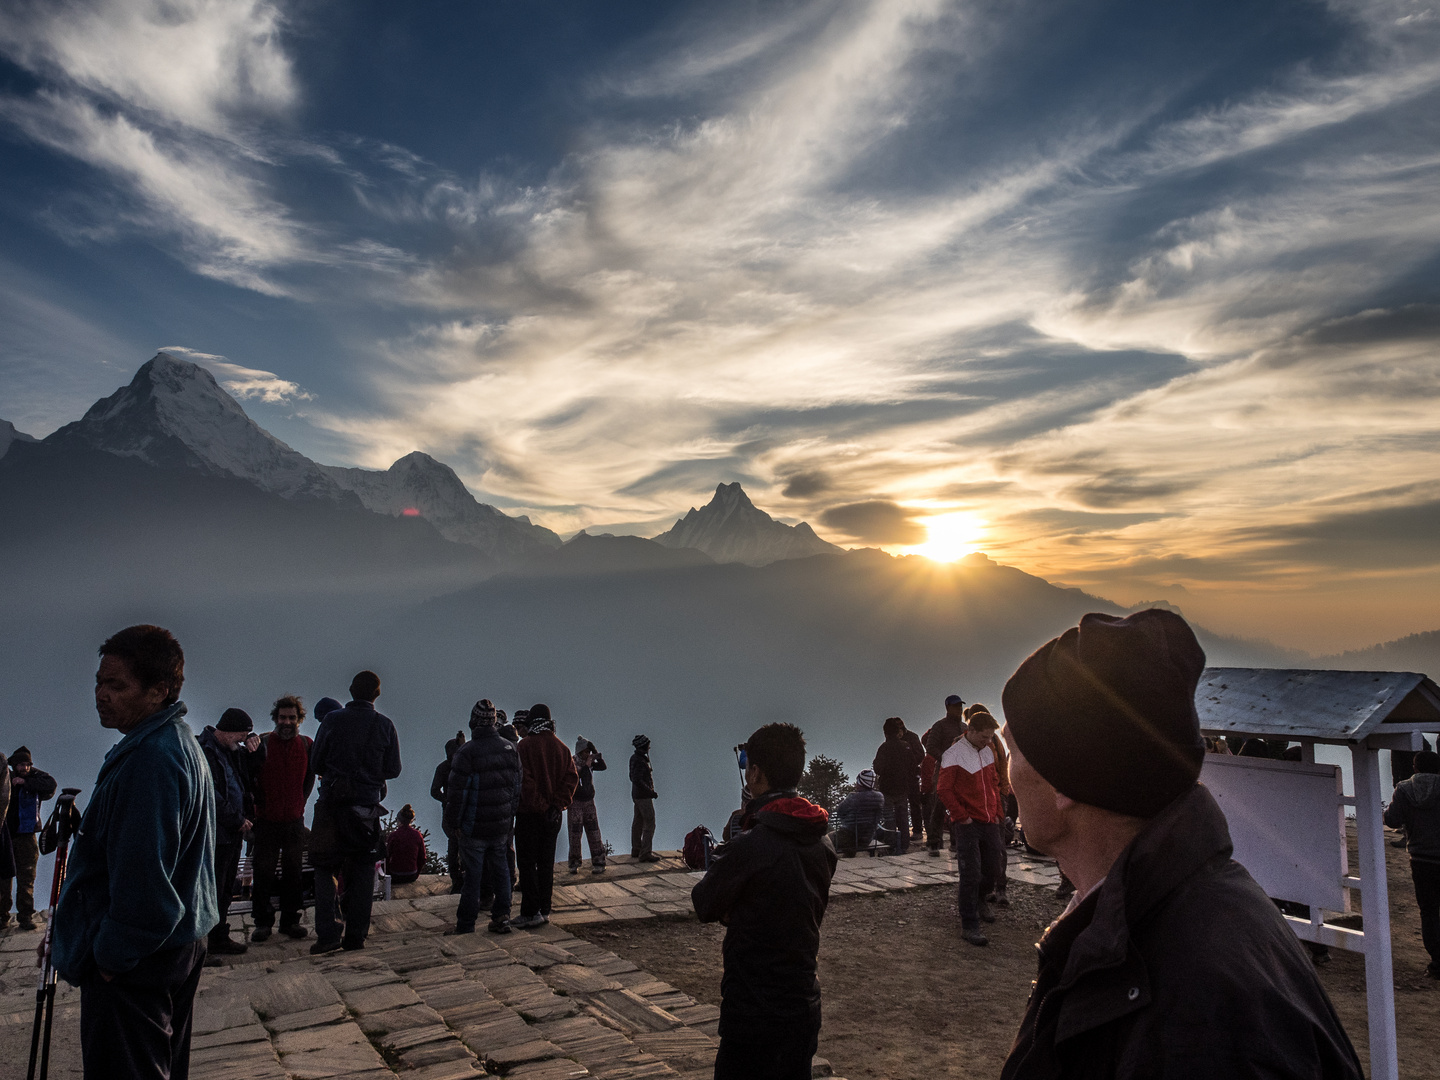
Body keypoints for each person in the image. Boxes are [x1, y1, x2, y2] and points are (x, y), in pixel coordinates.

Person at [998, 609, 1362, 1079]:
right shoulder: (1169, 915)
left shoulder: (1203, 1011)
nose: (1005, 779)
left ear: (1066, 780)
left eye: (1012, 749)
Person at [52, 625, 216, 1080]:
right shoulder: (175, 740)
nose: (101, 695)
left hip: (141, 958)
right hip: (179, 941)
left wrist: (109, 959)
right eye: (99, 683)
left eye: (117, 685)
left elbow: (145, 881)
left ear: (158, 690)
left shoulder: (151, 761)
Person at [692, 723, 837, 1080]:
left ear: (756, 773)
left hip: (752, 1009)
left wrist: (734, 908)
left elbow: (703, 902)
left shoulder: (751, 846)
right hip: (803, 1002)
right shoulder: (823, 843)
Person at [308, 670, 402, 954]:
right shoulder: (385, 725)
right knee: (362, 871)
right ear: (377, 693)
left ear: (350, 690)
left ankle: (328, 934)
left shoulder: (332, 721)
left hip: (332, 806)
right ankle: (356, 936)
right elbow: (394, 769)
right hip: (366, 808)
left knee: (326, 869)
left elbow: (317, 763)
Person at [445, 699, 522, 934]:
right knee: (501, 871)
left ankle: (466, 924)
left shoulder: (467, 752)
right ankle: (502, 917)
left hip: (473, 825)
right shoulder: (510, 749)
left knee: (473, 877)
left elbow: (457, 794)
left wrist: (452, 824)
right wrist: (510, 820)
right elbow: (517, 789)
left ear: (473, 722)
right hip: (501, 825)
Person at [937, 708, 1006, 945]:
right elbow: (943, 789)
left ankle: (980, 901)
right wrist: (961, 816)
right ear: (971, 730)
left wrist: (997, 813)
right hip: (967, 823)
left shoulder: (987, 751)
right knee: (970, 874)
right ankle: (969, 924)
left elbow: (993, 783)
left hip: (989, 820)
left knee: (994, 869)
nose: (989, 741)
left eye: (990, 737)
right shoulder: (953, 754)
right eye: (984, 736)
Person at [249, 694, 315, 943]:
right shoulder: (263, 743)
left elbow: (309, 779)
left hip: (294, 821)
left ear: (299, 719)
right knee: (263, 872)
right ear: (275, 718)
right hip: (266, 820)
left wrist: (301, 802)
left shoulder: (307, 745)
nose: (287, 722)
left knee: (293, 872)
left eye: (292, 718)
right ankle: (262, 923)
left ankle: (290, 921)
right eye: (283, 717)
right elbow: (250, 777)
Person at [197, 708, 259, 958]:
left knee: (223, 891)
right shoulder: (206, 750)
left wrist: (255, 743)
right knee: (211, 891)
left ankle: (219, 938)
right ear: (230, 730)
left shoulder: (231, 752)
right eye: (242, 736)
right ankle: (203, 946)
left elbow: (250, 772)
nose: (243, 742)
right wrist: (236, 820)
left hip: (231, 833)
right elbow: (210, 793)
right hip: (216, 833)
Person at [513, 704, 578, 927]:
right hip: (554, 817)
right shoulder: (563, 748)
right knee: (546, 863)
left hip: (530, 815)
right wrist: (556, 806)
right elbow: (571, 779)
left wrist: (542, 806)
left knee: (527, 862)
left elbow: (525, 782)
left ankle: (530, 912)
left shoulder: (525, 746)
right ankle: (545, 909)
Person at [1384, 749, 1440, 979]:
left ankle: (1437, 963)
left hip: (1421, 859)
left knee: (1428, 911)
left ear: (1414, 767)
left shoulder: (1404, 789)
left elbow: (1392, 820)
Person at [4, 746, 56, 930]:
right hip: (6, 836)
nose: (25, 767)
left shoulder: (34, 780)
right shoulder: (5, 779)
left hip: (26, 836)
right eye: (21, 764)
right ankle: (2, 917)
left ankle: (25, 916)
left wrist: (25, 780)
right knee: (4, 878)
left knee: (26, 877)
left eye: (28, 764)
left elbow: (50, 784)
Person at [922, 695, 966, 854]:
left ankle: (956, 843)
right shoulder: (939, 726)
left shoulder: (964, 726)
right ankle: (934, 843)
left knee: (958, 807)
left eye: (960, 706)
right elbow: (930, 747)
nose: (959, 709)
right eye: (956, 706)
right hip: (943, 772)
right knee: (939, 808)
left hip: (961, 773)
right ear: (948, 708)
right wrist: (946, 758)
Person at [872, 717, 920, 854]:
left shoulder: (884, 748)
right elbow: (912, 764)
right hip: (903, 788)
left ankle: (891, 844)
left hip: (887, 788)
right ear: (897, 731)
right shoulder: (905, 746)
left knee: (889, 817)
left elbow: (877, 768)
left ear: (885, 733)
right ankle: (904, 844)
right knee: (903, 816)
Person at [431, 729, 467, 894]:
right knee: (454, 845)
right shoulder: (444, 768)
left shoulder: (464, 765)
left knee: (464, 846)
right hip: (451, 810)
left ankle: (465, 878)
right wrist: (447, 800)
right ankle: (457, 880)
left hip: (465, 808)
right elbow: (434, 790)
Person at [569, 737, 608, 874]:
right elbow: (577, 775)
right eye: (586, 751)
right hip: (575, 802)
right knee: (575, 834)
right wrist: (587, 765)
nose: (588, 754)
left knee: (594, 832)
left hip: (589, 802)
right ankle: (574, 862)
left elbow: (603, 767)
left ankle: (599, 861)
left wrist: (596, 753)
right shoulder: (573, 762)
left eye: (588, 751)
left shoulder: (589, 762)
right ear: (580, 752)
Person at [832, 769, 885, 856]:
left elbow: (840, 812)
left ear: (861, 783)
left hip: (849, 838)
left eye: (858, 781)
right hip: (867, 838)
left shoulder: (853, 797)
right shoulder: (880, 797)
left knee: (826, 839)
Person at [630, 734, 659, 861]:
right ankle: (645, 853)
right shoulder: (640, 761)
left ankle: (636, 848)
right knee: (649, 823)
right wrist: (650, 792)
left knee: (638, 821)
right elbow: (637, 779)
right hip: (643, 797)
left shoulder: (635, 758)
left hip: (637, 795)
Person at [386, 804, 427, 885]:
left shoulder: (394, 835)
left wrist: (387, 873)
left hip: (395, 875)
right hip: (411, 875)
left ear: (399, 820)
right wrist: (416, 873)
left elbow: (387, 856)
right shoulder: (417, 835)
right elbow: (422, 858)